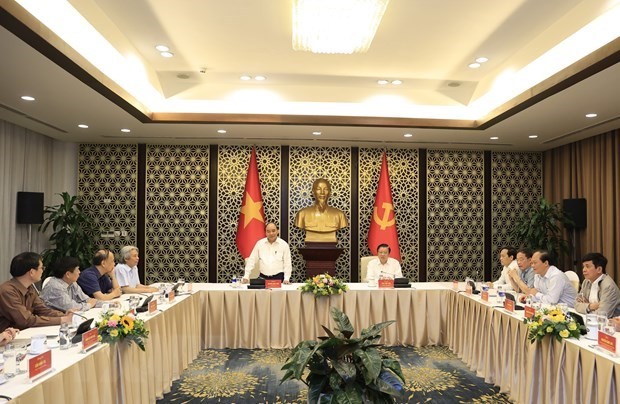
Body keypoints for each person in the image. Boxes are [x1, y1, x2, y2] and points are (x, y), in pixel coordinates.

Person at [0, 252, 73, 330]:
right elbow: (26, 320)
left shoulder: (29, 287)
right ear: (32, 272)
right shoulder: (7, 291)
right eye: (41, 268)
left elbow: (42, 309)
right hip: (8, 338)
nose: (43, 271)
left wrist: (63, 315)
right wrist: (61, 320)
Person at [294, 178, 348, 243]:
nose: (322, 192)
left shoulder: (339, 215)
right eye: (318, 189)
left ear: (330, 192)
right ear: (313, 192)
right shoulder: (302, 214)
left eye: (326, 189)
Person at [574, 252, 620, 318]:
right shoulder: (586, 282)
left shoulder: (608, 286)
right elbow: (576, 304)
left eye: (587, 266)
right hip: (590, 320)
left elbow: (602, 314)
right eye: (583, 267)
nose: (583, 270)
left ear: (599, 269)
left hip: (610, 324)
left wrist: (585, 306)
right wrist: (591, 306)